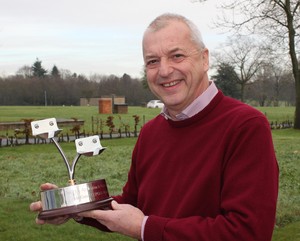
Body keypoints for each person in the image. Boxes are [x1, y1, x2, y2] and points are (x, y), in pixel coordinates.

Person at [30, 13, 279, 241]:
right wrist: (75, 207)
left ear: (204, 59)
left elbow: (248, 232)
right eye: (152, 61)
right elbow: (131, 205)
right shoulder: (151, 132)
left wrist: (144, 227)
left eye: (177, 56)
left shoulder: (245, 126)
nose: (164, 70)